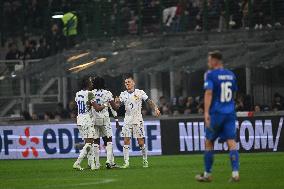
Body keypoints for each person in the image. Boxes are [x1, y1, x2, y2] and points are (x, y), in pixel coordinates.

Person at [195, 51, 240, 182]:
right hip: (230, 112)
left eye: (209, 60)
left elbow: (208, 92)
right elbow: (234, 93)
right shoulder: (231, 75)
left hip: (216, 113)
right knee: (231, 142)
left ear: (215, 61)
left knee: (209, 142)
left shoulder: (211, 74)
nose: (208, 63)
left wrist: (206, 112)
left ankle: (207, 174)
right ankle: (235, 173)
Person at [115, 74, 160, 168]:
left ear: (133, 83)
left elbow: (149, 101)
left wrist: (155, 108)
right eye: (126, 83)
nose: (127, 84)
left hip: (137, 119)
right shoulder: (123, 94)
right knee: (126, 140)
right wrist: (117, 102)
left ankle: (145, 160)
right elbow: (118, 106)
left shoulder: (140, 92)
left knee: (140, 142)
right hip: (127, 119)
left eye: (129, 82)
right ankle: (126, 162)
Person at [73, 77, 107, 171]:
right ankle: (77, 162)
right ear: (87, 84)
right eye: (91, 82)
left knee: (89, 143)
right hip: (87, 120)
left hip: (79, 119)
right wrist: (105, 104)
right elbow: (97, 108)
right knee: (89, 142)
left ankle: (92, 165)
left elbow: (76, 106)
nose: (92, 83)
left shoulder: (78, 93)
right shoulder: (90, 94)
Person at [91, 76, 120, 169]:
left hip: (94, 119)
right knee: (109, 139)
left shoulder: (91, 93)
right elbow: (115, 107)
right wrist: (118, 102)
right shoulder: (107, 93)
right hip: (104, 119)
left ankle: (97, 164)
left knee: (96, 140)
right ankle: (109, 161)